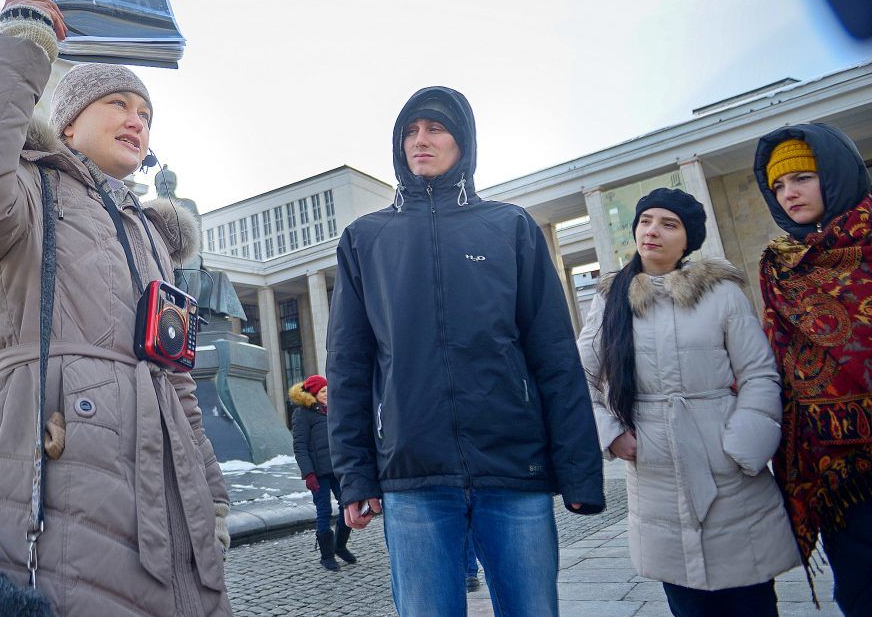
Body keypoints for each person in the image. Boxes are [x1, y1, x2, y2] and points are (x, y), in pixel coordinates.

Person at [0, 0, 232, 615]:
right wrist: (27, 41)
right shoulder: (29, 191)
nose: (136, 120)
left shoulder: (151, 233)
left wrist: (211, 495)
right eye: (118, 103)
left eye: (145, 114)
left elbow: (179, 376)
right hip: (51, 471)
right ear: (69, 121)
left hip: (162, 491)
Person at [326, 86, 604, 616]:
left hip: (512, 469)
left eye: (435, 128)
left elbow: (554, 356)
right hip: (413, 475)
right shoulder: (366, 239)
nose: (420, 140)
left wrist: (579, 471)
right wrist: (356, 475)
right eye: (410, 131)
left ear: (464, 142)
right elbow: (348, 367)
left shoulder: (510, 227)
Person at [577, 187, 799, 617]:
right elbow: (579, 377)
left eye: (668, 224)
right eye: (645, 221)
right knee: (687, 603)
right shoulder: (609, 300)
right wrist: (613, 434)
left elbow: (758, 372)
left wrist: (742, 445)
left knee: (751, 601)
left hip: (730, 469)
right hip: (655, 473)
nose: (652, 231)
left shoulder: (721, 293)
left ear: (688, 240)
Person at [754, 125, 872, 615]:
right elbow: (772, 357)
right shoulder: (781, 266)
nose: (790, 194)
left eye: (802, 177)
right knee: (861, 590)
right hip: (836, 469)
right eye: (779, 186)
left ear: (837, 174)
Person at [290, 374, 356, 571]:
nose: (327, 394)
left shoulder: (332, 410)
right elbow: (300, 446)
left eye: (328, 390)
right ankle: (326, 556)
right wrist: (308, 474)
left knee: (348, 506)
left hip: (337, 469)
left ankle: (339, 546)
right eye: (323, 391)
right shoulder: (302, 414)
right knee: (324, 511)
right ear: (313, 393)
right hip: (318, 473)